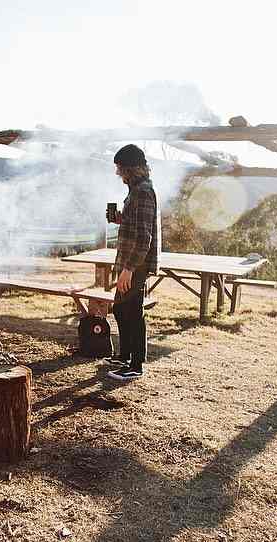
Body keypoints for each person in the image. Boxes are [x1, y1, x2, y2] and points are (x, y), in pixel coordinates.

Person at [105, 144, 160, 381]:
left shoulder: (143, 192)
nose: (118, 173)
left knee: (132, 311)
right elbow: (136, 225)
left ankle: (135, 365)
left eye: (120, 168)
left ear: (131, 169)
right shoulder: (135, 190)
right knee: (120, 308)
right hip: (129, 261)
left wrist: (129, 269)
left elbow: (144, 237)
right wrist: (120, 218)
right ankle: (124, 355)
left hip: (136, 263)